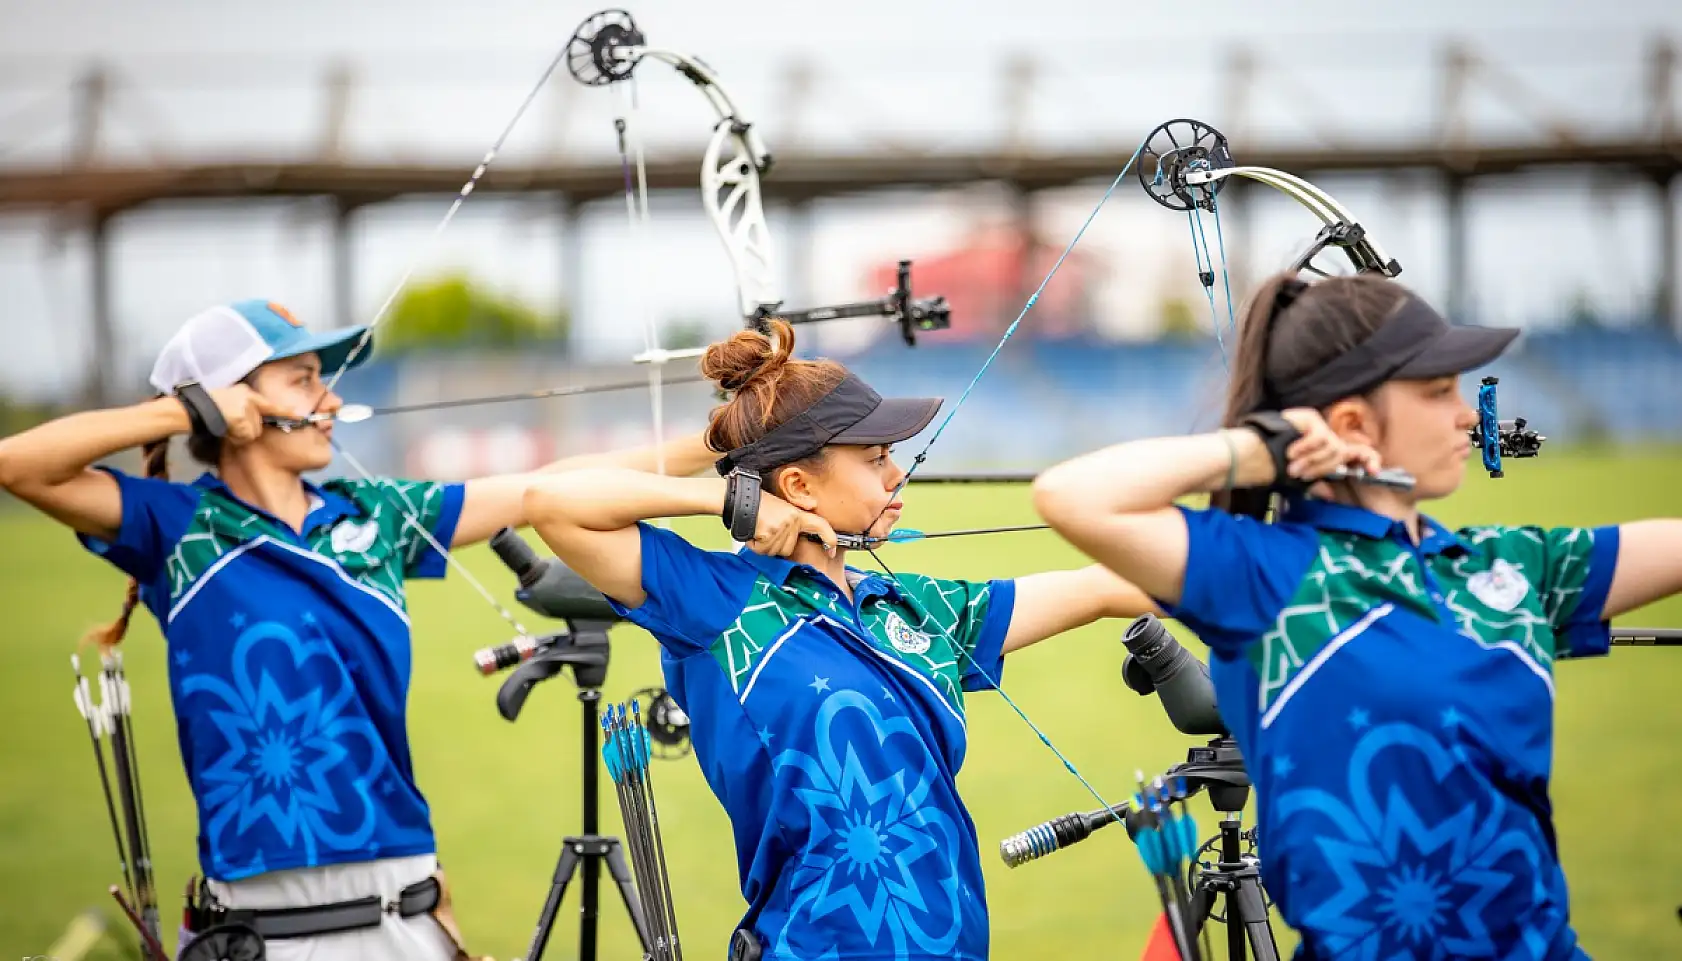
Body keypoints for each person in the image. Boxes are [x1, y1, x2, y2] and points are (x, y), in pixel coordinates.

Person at [0, 299, 719, 961]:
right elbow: (19, 466)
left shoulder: (371, 515)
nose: (331, 398)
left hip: (402, 909)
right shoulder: (179, 527)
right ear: (232, 401)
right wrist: (183, 413)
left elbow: (543, 487)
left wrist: (709, 448)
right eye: (304, 378)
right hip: (259, 923)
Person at [1030, 271, 1682, 960]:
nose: (1467, 413)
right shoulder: (1269, 576)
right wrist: (1253, 450)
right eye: (1437, 392)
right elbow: (1072, 495)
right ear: (1350, 423)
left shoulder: (1513, 565)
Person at [520, 319, 1158, 961]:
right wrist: (733, 501)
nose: (897, 476)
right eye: (876, 458)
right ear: (799, 486)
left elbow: (1100, 588)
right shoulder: (716, 601)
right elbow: (552, 500)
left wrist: (1243, 557)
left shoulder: (911, 605)